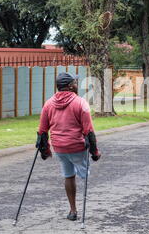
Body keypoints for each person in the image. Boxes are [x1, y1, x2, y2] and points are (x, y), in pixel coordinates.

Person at [38, 72, 101, 221]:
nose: (77, 85)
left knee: (68, 175)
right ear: (70, 86)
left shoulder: (48, 103)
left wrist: (45, 151)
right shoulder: (80, 103)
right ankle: (82, 196)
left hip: (59, 147)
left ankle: (73, 210)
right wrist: (95, 152)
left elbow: (42, 131)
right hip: (76, 147)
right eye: (75, 83)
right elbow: (89, 131)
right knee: (84, 174)